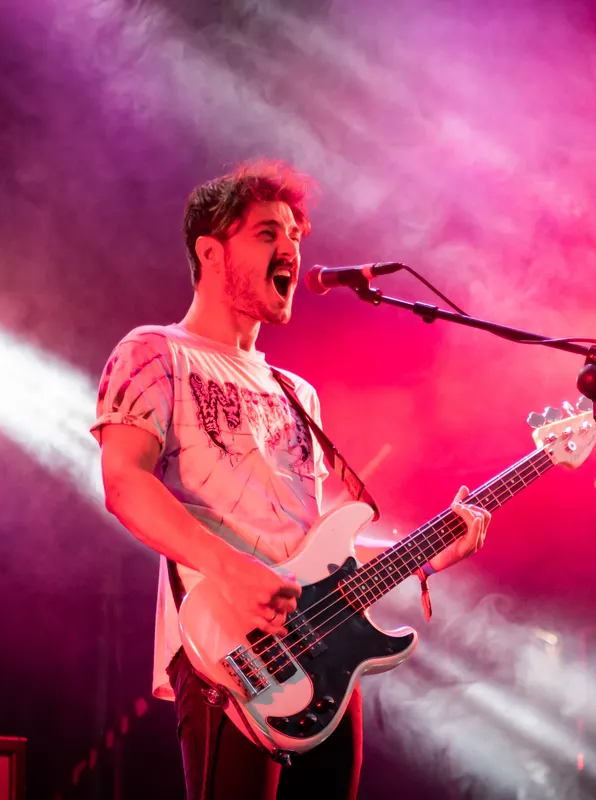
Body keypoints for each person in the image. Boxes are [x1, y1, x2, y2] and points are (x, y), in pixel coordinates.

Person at [90, 160, 491, 800]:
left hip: (325, 658)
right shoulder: (155, 352)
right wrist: (231, 570)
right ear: (210, 252)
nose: (291, 250)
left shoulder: (296, 393)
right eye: (267, 233)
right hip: (231, 658)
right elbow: (124, 484)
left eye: (296, 236)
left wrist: (422, 553)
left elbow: (314, 555)